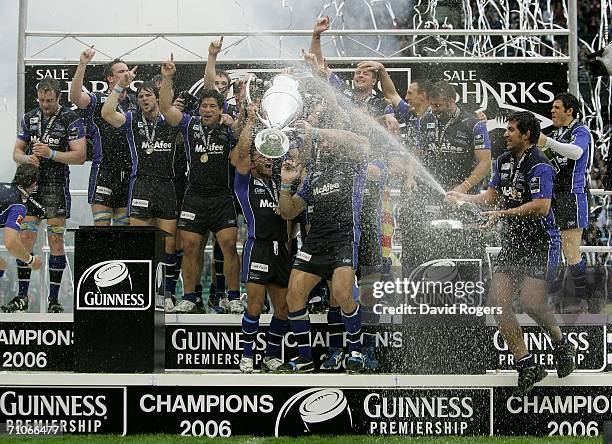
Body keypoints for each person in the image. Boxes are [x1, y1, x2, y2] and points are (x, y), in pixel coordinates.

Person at [447, 111, 576, 395]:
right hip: (514, 243)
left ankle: (560, 342)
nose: (505, 134)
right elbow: (491, 196)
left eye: (511, 130)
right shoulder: (503, 161)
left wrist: (501, 213)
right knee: (496, 302)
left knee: (531, 303)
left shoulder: (540, 163)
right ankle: (526, 364)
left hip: (542, 243)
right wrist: (464, 197)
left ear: (526, 135)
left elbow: (542, 206)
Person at [277, 119, 369, 373]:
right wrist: (286, 184)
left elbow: (358, 141)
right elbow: (289, 211)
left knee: (342, 294)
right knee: (293, 296)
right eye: (323, 141)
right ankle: (305, 358)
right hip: (315, 241)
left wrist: (317, 130)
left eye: (330, 139)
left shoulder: (354, 164)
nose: (326, 143)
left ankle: (355, 352)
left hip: (343, 238)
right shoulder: (314, 174)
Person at [159, 57, 242, 314]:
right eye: (204, 106)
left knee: (228, 245)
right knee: (191, 246)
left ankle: (233, 296)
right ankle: (190, 297)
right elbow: (165, 108)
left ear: (220, 109)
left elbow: (244, 133)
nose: (207, 110)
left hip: (222, 197)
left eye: (212, 106)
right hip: (194, 196)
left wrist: (238, 120)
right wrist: (168, 78)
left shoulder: (228, 128)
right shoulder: (189, 124)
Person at [101, 69, 180, 302]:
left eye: (148, 95)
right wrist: (119, 86)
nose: (144, 99)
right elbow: (106, 113)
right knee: (141, 241)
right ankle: (143, 292)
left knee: (169, 242)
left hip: (167, 185)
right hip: (141, 184)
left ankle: (167, 293)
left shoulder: (172, 120)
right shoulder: (132, 119)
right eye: (141, 96)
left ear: (157, 97)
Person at [12, 77, 86, 313]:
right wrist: (27, 158)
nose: (45, 105)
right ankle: (22, 296)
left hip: (56, 185)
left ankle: (54, 300)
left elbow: (80, 156)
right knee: (25, 240)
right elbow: (16, 152)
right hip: (31, 187)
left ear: (58, 97)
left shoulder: (70, 119)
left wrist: (51, 153)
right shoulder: (29, 117)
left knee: (55, 240)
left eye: (50, 100)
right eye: (42, 100)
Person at [233, 102, 290, 373]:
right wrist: (251, 120)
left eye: (270, 157)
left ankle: (270, 355)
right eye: (262, 157)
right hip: (258, 247)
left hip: (282, 250)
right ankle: (246, 356)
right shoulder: (245, 183)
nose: (268, 160)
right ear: (253, 161)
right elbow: (242, 153)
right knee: (254, 305)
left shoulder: (279, 180)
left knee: (283, 307)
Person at [70, 48, 138, 226]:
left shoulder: (136, 101)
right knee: (102, 232)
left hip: (130, 171)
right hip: (104, 170)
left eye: (127, 70)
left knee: (124, 232)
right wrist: (82, 64)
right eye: (121, 71)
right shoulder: (97, 99)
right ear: (110, 78)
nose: (126, 74)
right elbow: (75, 98)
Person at [537, 92, 592, 313]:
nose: (552, 111)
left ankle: (582, 299)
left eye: (556, 108)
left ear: (569, 110)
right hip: (552, 197)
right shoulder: (556, 133)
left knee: (571, 251)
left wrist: (547, 142)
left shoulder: (580, 131)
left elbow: (576, 152)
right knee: (551, 248)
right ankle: (550, 297)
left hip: (572, 195)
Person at [0, 165, 44, 312]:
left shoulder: (3, 187)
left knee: (0, 264)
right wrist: (30, 260)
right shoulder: (18, 205)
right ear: (34, 184)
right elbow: (11, 243)